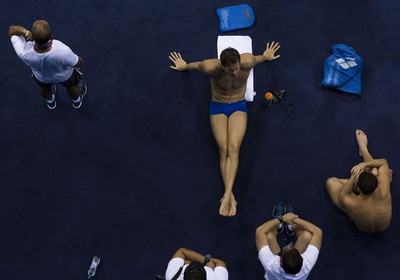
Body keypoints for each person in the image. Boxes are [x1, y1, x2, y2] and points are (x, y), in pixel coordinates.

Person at [169, 42, 281, 217]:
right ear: (222, 66)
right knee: (224, 149)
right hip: (218, 106)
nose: (235, 73)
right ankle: (230, 195)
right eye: (230, 70)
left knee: (234, 148)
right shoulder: (211, 68)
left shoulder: (247, 61)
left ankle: (227, 195)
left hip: (238, 105)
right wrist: (185, 66)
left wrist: (266, 56)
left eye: (236, 68)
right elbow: (197, 65)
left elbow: (258, 59)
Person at [8, 20, 87, 109]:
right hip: (65, 76)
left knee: (44, 89)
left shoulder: (24, 52)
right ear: (51, 35)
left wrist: (24, 31)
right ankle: (76, 101)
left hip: (42, 77)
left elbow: (11, 30)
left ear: (32, 36)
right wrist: (79, 61)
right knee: (72, 86)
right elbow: (78, 62)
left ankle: (51, 102)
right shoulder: (63, 50)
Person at [326, 129, 392, 233]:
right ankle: (363, 149)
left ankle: (363, 149)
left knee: (330, 182)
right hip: (385, 226)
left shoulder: (350, 201)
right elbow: (383, 162)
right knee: (375, 170)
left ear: (358, 188)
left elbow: (342, 196)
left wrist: (354, 176)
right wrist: (364, 165)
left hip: (363, 226)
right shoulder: (382, 188)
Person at [255, 202, 322, 280]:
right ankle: (290, 227)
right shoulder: (308, 263)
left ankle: (278, 226)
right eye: (292, 247)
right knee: (307, 235)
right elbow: (318, 232)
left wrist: (283, 219)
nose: (289, 245)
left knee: (268, 235)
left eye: (288, 248)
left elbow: (259, 231)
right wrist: (294, 219)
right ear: (302, 258)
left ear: (280, 260)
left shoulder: (270, 264)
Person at [164, 248, 228, 280]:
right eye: (199, 270)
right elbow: (220, 263)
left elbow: (181, 251)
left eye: (190, 269)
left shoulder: (172, 276)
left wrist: (208, 264)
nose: (195, 266)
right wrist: (208, 263)